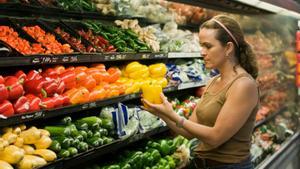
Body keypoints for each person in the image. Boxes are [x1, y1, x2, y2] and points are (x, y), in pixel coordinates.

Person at [142, 15, 259, 169]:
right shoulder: (212, 81)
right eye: (201, 45)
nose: (202, 52)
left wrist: (173, 115)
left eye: (208, 46)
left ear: (228, 48)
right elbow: (189, 131)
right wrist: (162, 113)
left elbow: (215, 137)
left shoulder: (243, 85)